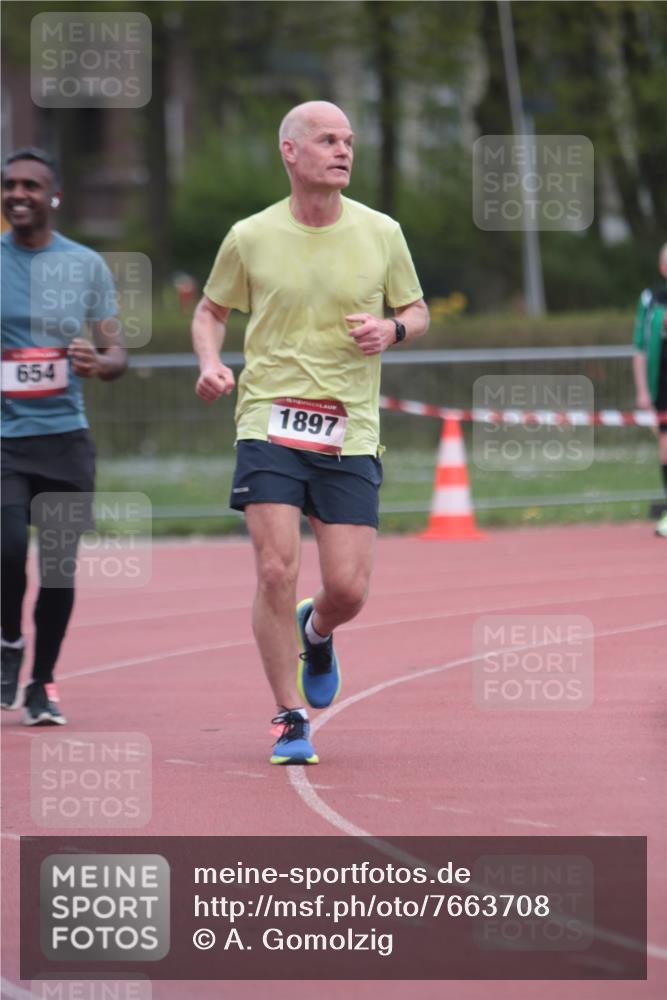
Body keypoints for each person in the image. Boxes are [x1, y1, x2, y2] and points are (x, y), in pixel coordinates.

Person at [192, 100, 429, 765]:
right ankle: (289, 716)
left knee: (349, 587)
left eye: (348, 140)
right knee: (274, 567)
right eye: (327, 139)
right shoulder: (250, 236)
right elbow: (211, 311)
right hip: (268, 420)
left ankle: (316, 628)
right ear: (290, 152)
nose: (343, 149)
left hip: (348, 430)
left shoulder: (381, 232)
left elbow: (416, 309)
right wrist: (211, 362)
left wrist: (393, 329)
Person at [1, 147, 127, 724]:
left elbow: (117, 351)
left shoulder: (85, 265)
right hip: (4, 440)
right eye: (9, 186)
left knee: (57, 569)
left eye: (30, 185)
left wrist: (99, 363)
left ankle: (42, 684)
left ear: (52, 197)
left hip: (64, 437)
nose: (18, 194)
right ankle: (8, 643)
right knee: (6, 552)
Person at [632, 242, 667, 537]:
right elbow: (640, 347)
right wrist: (643, 390)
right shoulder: (652, 300)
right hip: (663, 384)